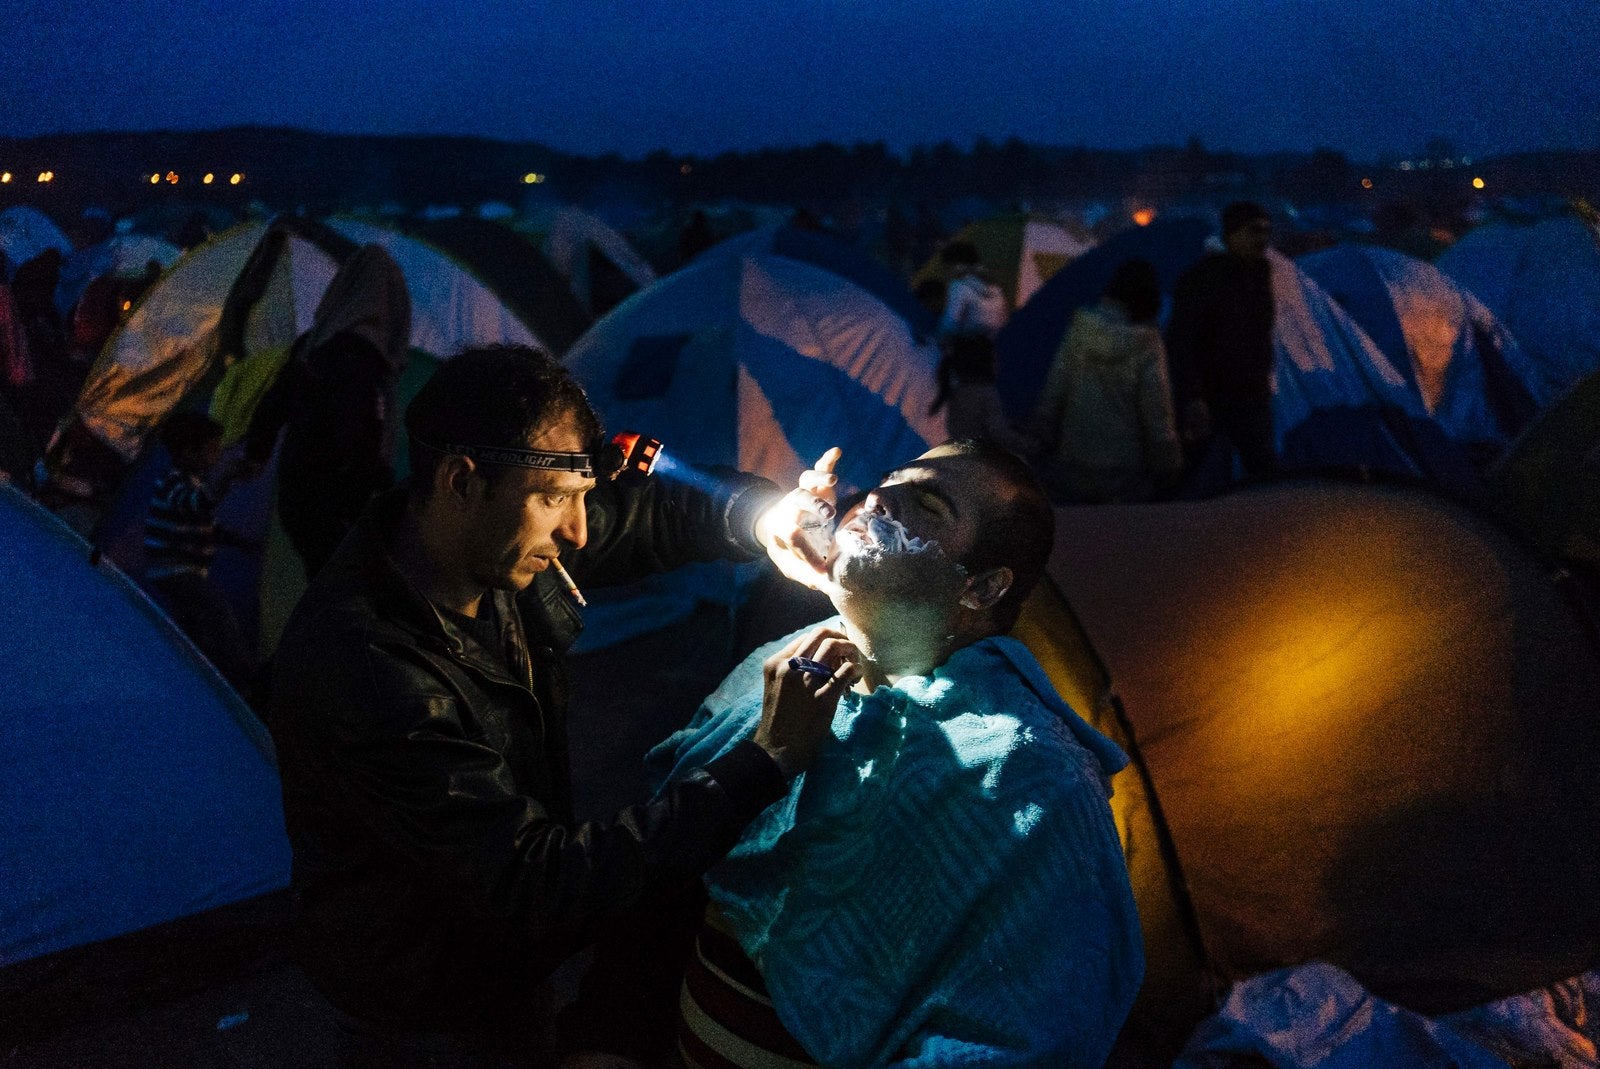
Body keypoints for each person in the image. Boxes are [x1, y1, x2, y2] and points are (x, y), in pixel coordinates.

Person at [268, 345, 859, 1066]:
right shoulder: (370, 668)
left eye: (578, 496)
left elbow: (650, 515)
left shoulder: (486, 543)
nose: (577, 529)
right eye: (554, 498)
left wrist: (761, 519)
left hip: (501, 967)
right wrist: (765, 759)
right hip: (423, 1002)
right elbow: (534, 881)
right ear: (462, 481)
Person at [639, 440, 1144, 1068]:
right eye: (887, 482)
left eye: (928, 504)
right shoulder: (789, 665)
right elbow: (666, 872)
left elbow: (1024, 1036)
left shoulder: (1032, 780)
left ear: (982, 587)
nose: (879, 499)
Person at [244, 244, 412, 580]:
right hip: (337, 505)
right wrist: (376, 484)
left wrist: (256, 451)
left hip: (300, 493)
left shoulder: (315, 344)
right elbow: (355, 433)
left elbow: (277, 401)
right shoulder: (365, 361)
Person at [1029, 257, 1183, 502]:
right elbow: (1157, 409)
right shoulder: (1147, 343)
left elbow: (1055, 389)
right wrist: (1167, 461)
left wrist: (1040, 437)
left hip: (1074, 462)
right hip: (1127, 471)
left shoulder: (1080, 329)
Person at [142, 411, 258, 689]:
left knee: (192, 626)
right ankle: (243, 675)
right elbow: (197, 506)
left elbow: (205, 523)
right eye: (212, 449)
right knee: (217, 612)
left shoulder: (189, 484)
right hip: (174, 569)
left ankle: (192, 678)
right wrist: (226, 478)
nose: (216, 456)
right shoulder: (173, 482)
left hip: (181, 570)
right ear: (188, 452)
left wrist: (239, 542)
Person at [1164, 201, 1278, 477]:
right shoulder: (1201, 281)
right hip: (1211, 395)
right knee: (1188, 470)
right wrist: (1192, 396)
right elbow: (1182, 341)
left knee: (1262, 469)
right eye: (1253, 231)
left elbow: (1261, 335)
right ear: (1231, 235)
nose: (1262, 239)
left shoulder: (1261, 278)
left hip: (1251, 395)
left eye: (1266, 231)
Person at [928, 332, 1037, 456]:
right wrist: (1030, 446)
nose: (998, 364)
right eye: (994, 359)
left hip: (962, 457)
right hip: (981, 460)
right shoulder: (985, 393)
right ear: (984, 362)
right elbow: (998, 431)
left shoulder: (959, 391)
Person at [936, 240, 1008, 340]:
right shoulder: (994, 284)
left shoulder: (959, 286)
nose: (945, 273)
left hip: (976, 347)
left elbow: (948, 325)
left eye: (947, 267)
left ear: (956, 266)